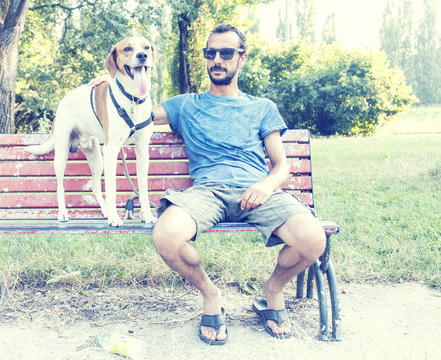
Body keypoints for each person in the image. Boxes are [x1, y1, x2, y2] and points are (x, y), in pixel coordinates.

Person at [92, 24, 326, 345]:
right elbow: (134, 113)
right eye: (210, 53)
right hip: (207, 193)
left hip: (256, 189)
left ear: (241, 59)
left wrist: (267, 186)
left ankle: (272, 290)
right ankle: (210, 293)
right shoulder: (185, 105)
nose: (217, 59)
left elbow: (282, 167)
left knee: (313, 240)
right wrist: (109, 86)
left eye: (226, 53)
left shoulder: (262, 107)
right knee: (166, 236)